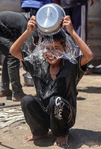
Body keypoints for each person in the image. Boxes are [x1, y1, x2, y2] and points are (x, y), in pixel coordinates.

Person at [9, 15, 93, 145]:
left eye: (56, 49)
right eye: (47, 49)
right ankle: (39, 132)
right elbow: (13, 51)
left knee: (56, 101)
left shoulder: (71, 66)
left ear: (65, 50)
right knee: (27, 100)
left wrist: (72, 32)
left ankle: (61, 133)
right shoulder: (37, 64)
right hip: (44, 114)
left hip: (64, 115)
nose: (51, 53)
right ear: (42, 50)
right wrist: (28, 31)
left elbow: (88, 55)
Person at [0, 11, 34, 101]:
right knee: (12, 55)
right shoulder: (26, 25)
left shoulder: (24, 20)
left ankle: (4, 89)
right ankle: (17, 93)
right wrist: (30, 69)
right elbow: (25, 50)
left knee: (9, 55)